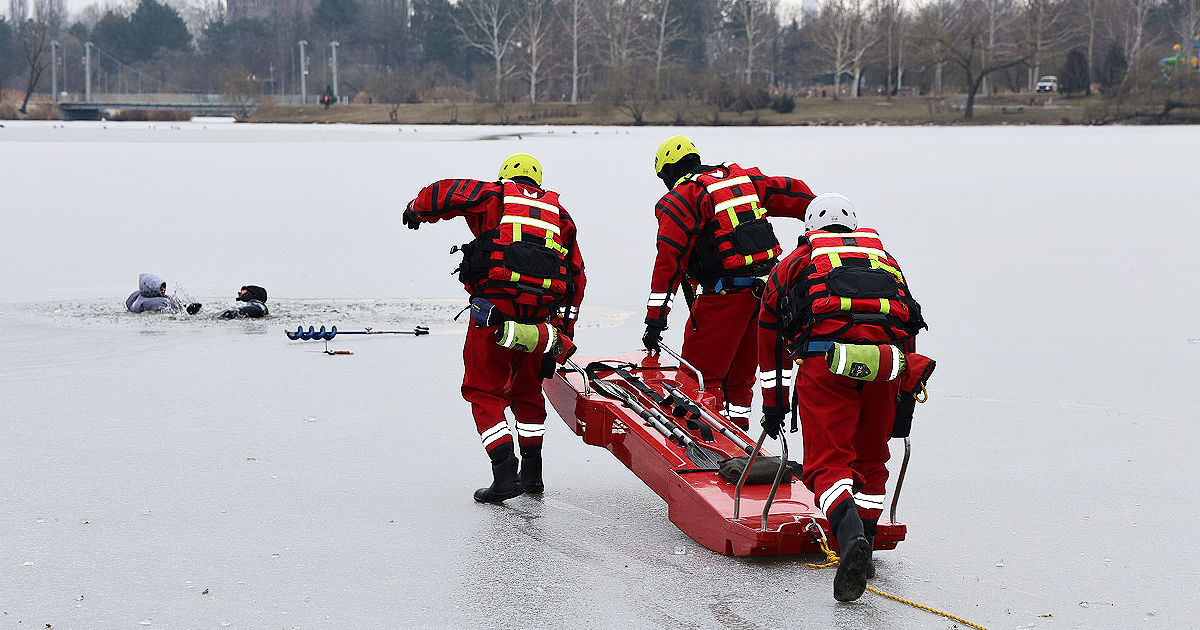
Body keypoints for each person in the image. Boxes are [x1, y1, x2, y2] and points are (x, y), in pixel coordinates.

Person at [756, 193, 929, 602]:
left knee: (827, 465)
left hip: (826, 365)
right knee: (871, 459)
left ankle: (850, 538)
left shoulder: (796, 262)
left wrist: (775, 402)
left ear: (810, 227)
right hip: (887, 365)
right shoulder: (883, 258)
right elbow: (909, 324)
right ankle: (866, 546)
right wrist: (903, 395)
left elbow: (769, 330)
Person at [403, 153, 587, 503]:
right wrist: (563, 334)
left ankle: (504, 476)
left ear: (506, 176)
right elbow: (577, 279)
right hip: (539, 322)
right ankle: (532, 476)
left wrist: (415, 210)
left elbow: (442, 192)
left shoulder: (493, 194)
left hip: (492, 313)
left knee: (483, 391)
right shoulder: (560, 217)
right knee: (528, 393)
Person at [642, 135, 815, 429]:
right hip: (767, 297)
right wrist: (826, 226)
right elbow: (794, 192)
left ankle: (707, 444)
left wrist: (655, 320)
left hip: (723, 299)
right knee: (740, 379)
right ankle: (740, 441)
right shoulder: (743, 180)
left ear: (669, 171)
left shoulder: (683, 198)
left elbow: (669, 262)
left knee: (699, 377)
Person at [125, 272, 201, 315]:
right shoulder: (157, 302)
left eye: (164, 286)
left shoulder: (135, 297)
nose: (163, 289)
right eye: (160, 287)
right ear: (149, 288)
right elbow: (169, 313)